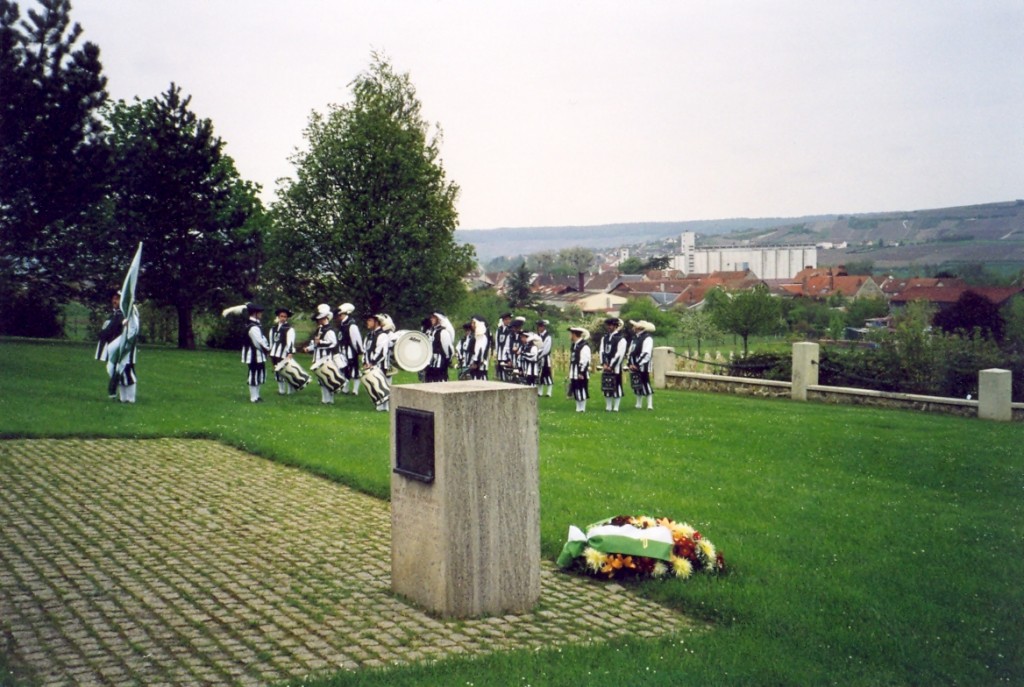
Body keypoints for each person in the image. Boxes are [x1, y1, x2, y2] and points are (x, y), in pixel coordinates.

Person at [96, 288, 140, 403]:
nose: (114, 301)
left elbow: (130, 327)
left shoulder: (125, 314)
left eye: (117, 299)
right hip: (115, 350)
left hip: (124, 349)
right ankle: (123, 398)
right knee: (117, 372)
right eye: (114, 298)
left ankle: (130, 399)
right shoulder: (116, 314)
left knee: (126, 372)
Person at [306, 305, 338, 404]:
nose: (318, 321)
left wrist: (321, 342)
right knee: (321, 380)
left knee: (328, 379)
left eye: (320, 319)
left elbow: (333, 343)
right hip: (318, 357)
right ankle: (324, 399)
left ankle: (330, 400)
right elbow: (316, 343)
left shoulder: (330, 330)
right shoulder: (320, 329)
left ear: (325, 318)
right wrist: (309, 348)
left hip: (326, 357)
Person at [362, 313, 393, 411]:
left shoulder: (382, 335)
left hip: (380, 365)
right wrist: (364, 362)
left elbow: (381, 352)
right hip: (370, 364)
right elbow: (365, 350)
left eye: (370, 320)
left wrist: (372, 362)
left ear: (377, 322)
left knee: (383, 386)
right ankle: (379, 407)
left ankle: (387, 408)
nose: (367, 322)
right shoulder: (369, 335)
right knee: (374, 386)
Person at [242, 302, 271, 403]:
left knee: (260, 374)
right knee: (254, 374)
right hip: (253, 355)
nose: (261, 314)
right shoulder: (253, 326)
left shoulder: (255, 324)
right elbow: (259, 342)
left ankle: (257, 396)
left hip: (258, 354)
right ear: (255, 313)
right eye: (260, 313)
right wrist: (268, 350)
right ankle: (253, 397)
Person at [600, 317, 628, 412]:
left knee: (617, 385)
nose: (609, 327)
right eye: (608, 325)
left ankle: (616, 407)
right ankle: (608, 406)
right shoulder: (605, 338)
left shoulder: (621, 339)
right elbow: (602, 351)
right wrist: (604, 363)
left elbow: (619, 354)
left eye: (611, 325)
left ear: (616, 326)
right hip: (606, 366)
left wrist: (611, 365)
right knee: (606, 385)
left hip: (615, 368)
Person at [335, 302, 363, 396]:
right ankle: (345, 389)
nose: (339, 316)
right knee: (344, 369)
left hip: (351, 351)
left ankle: (355, 390)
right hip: (343, 351)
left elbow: (356, 340)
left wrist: (359, 351)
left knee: (354, 369)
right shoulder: (343, 325)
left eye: (341, 314)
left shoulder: (352, 325)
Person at [628, 319, 656, 410]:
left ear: (639, 328)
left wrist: (637, 364)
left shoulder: (647, 338)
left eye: (635, 326)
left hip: (643, 365)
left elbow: (646, 353)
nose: (633, 328)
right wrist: (630, 363)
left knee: (645, 382)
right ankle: (638, 403)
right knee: (637, 383)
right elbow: (631, 351)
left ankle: (649, 404)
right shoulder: (635, 338)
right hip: (634, 364)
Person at [268, 307, 297, 395]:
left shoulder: (289, 329)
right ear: (278, 317)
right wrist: (270, 351)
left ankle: (290, 390)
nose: (283, 318)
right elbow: (271, 341)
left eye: (285, 316)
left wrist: (290, 353)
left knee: (287, 371)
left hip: (284, 353)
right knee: (277, 371)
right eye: (281, 316)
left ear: (287, 318)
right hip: (274, 353)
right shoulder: (273, 328)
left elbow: (290, 342)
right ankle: (281, 390)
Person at [425, 311, 455, 382]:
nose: (431, 319)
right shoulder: (429, 331)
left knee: (440, 381)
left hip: (440, 363)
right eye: (431, 317)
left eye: (434, 317)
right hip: (430, 362)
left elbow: (447, 349)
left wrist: (447, 359)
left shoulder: (443, 332)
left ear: (439, 319)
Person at [567, 326, 591, 412]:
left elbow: (585, 360)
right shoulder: (575, 345)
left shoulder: (584, 346)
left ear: (574, 334)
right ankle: (578, 407)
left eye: (571, 334)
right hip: (574, 371)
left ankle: (582, 408)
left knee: (582, 388)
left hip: (580, 372)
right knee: (576, 388)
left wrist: (581, 372)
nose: (569, 336)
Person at [467, 316, 490, 380]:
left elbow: (480, 351)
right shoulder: (477, 335)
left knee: (480, 378)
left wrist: (476, 362)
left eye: (473, 323)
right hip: (476, 362)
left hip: (480, 364)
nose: (472, 325)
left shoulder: (482, 336)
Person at [535, 319, 553, 397]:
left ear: (544, 327)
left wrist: (540, 354)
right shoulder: (537, 336)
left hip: (545, 358)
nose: (539, 328)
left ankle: (549, 391)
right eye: (539, 326)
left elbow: (546, 349)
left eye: (541, 326)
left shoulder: (548, 337)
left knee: (547, 374)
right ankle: (540, 391)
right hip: (537, 357)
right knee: (539, 374)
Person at [494, 312, 512, 381]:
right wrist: (497, 353)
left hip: (506, 355)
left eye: (509, 319)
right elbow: (497, 342)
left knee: (507, 372)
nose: (508, 321)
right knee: (500, 371)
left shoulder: (510, 330)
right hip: (500, 354)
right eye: (506, 319)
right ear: (503, 320)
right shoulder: (499, 329)